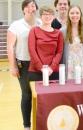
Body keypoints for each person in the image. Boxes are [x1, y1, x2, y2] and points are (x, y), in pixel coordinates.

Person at [6, 0, 40, 130]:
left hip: (40, 64)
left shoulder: (40, 23)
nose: (32, 8)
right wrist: (13, 65)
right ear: (24, 9)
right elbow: (10, 46)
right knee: (27, 95)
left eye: (33, 6)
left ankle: (41, 122)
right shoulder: (16, 25)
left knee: (40, 94)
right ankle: (27, 126)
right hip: (24, 64)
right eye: (29, 6)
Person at [28, 6, 64, 81]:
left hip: (53, 71)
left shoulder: (59, 33)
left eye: (50, 14)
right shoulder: (34, 30)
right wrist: (41, 67)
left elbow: (59, 52)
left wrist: (52, 67)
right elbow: (32, 50)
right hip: (36, 71)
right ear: (40, 17)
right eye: (45, 14)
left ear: (53, 17)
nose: (47, 16)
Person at [62, 5, 83, 79]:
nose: (75, 15)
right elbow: (60, 52)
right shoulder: (62, 31)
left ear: (80, 15)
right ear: (68, 15)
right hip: (69, 64)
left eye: (77, 13)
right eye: (72, 13)